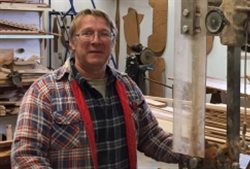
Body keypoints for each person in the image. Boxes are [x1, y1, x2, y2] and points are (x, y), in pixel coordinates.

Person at [11, 8, 189, 169]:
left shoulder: (128, 87)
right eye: (87, 33)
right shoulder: (44, 92)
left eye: (104, 34)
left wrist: (194, 153)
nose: (96, 41)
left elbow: (151, 137)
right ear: (72, 42)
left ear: (112, 42)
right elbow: (26, 156)